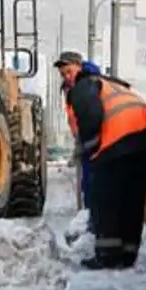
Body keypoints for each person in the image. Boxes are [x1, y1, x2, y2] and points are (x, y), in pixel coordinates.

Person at [64, 62, 146, 270]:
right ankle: (128, 253)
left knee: (104, 198)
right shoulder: (116, 86)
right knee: (132, 198)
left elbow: (91, 115)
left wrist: (90, 149)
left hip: (120, 138)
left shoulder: (83, 86)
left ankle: (107, 255)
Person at [53, 51, 101, 235]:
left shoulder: (90, 83)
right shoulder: (71, 88)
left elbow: (93, 115)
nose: (66, 77)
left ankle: (95, 227)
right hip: (86, 140)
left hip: (97, 140)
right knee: (88, 183)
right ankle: (91, 224)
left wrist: (86, 142)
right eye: (63, 74)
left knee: (94, 183)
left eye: (69, 71)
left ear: (79, 67)